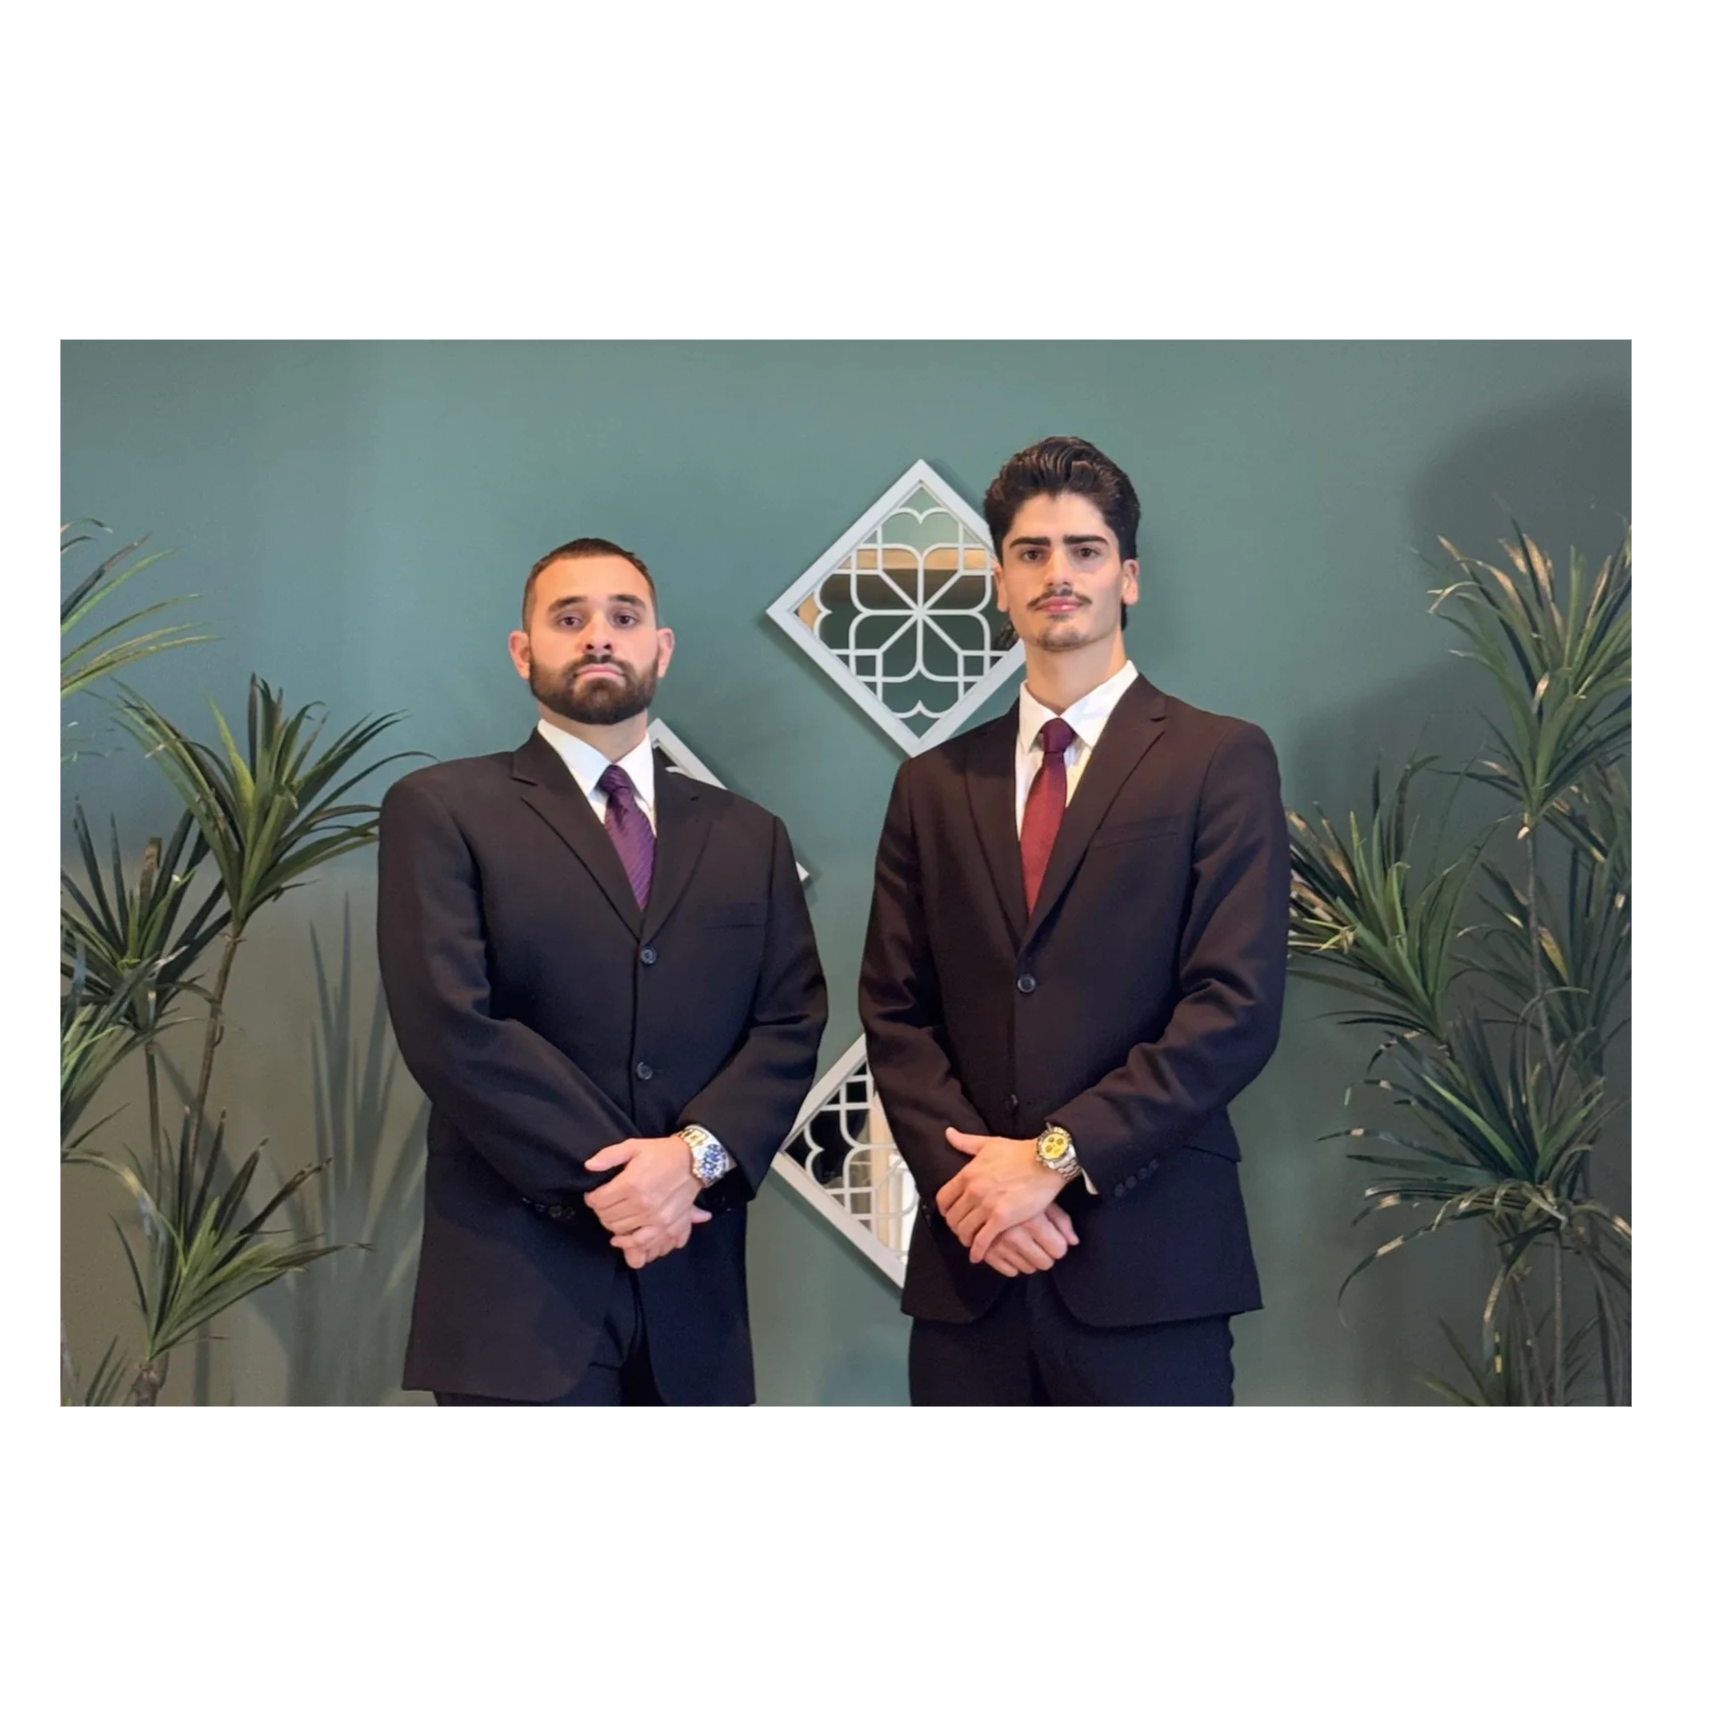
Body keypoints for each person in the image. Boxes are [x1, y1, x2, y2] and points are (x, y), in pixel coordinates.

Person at [859, 438, 1289, 1409]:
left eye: (1085, 550)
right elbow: (894, 1011)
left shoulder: (1219, 759)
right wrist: (978, 1194)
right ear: (1001, 583)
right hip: (974, 1272)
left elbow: (1234, 1006)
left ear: (1127, 577)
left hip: (1151, 1263)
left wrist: (1054, 1159)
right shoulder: (932, 785)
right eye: (1031, 551)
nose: (1059, 573)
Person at [378, 536, 827, 1408]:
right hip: (515, 1299)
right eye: (568, 617)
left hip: (694, 1301)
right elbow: (450, 1025)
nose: (598, 637)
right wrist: (630, 1182)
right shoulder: (441, 810)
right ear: (523, 652)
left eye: (623, 617)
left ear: (660, 647)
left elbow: (787, 1024)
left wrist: (691, 1160)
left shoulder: (750, 835)